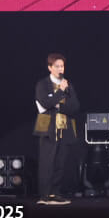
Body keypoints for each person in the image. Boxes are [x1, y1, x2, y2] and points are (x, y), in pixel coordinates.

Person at [33, 53, 79, 205]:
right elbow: (45, 103)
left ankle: (56, 193)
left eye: (62, 66)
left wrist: (58, 105)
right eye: (57, 66)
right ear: (50, 68)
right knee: (47, 162)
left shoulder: (68, 84)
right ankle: (45, 195)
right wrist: (60, 92)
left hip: (64, 127)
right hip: (48, 127)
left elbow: (75, 107)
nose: (60, 69)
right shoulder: (42, 84)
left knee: (60, 162)